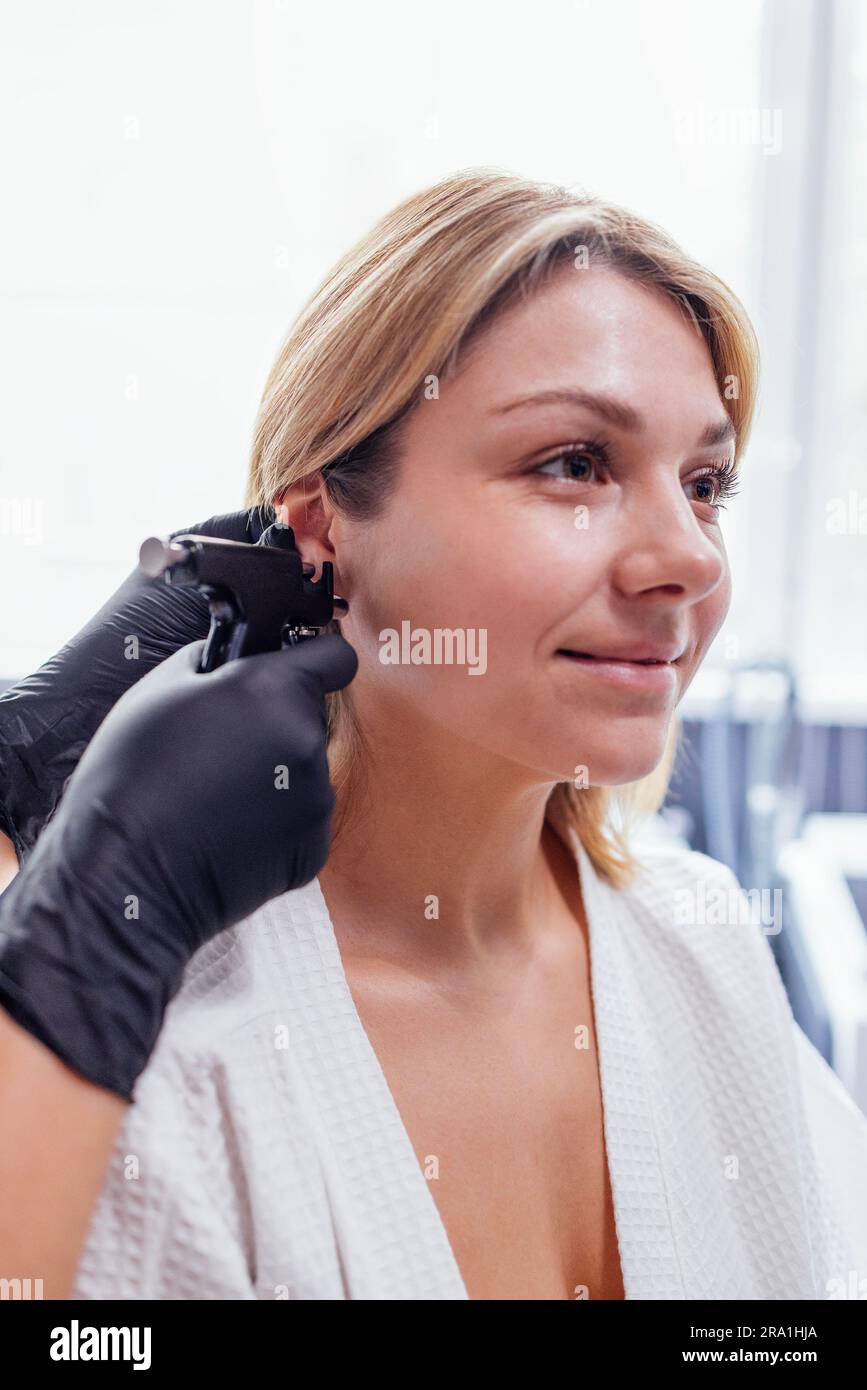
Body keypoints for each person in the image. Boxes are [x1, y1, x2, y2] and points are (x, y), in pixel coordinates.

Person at [2, 166, 867, 1301]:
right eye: (573, 464)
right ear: (321, 534)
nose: (693, 559)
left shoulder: (703, 946)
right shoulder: (164, 1050)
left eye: (707, 482)